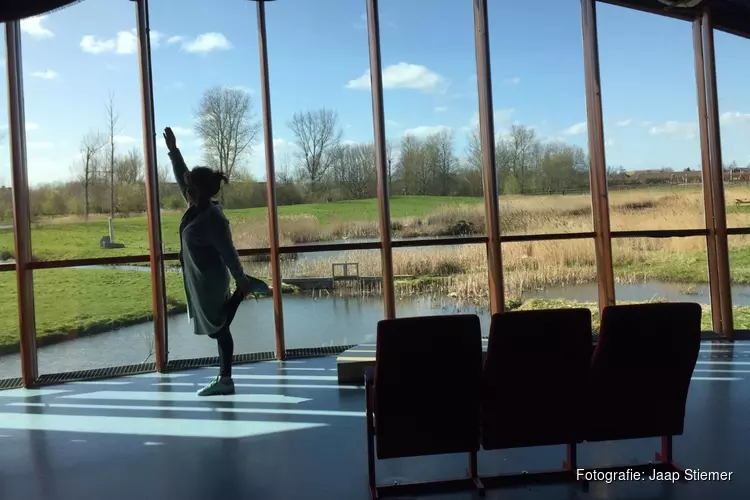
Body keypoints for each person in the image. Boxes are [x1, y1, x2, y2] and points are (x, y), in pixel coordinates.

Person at [163, 126, 268, 397]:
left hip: (209, 280)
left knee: (217, 328)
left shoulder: (213, 218)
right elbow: (181, 176)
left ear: (197, 189)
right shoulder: (195, 205)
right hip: (199, 278)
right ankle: (225, 379)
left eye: (189, 185)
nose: (185, 186)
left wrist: (240, 276)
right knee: (219, 328)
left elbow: (228, 251)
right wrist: (174, 150)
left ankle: (242, 292)